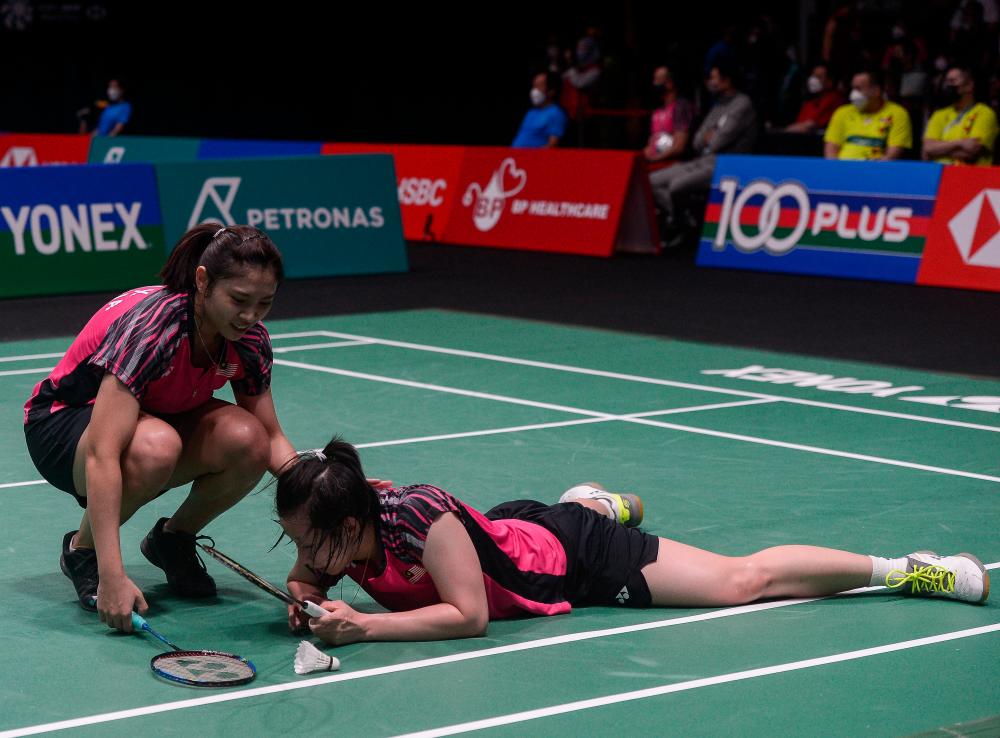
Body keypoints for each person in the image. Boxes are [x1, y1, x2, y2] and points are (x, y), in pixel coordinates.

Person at [276, 438, 989, 646]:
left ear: (348, 527)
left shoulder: (420, 524)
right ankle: (589, 500)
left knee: (740, 584)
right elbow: (310, 579)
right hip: (509, 535)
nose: (303, 556)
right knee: (520, 525)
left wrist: (364, 627)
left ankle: (906, 569)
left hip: (574, 560)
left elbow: (470, 617)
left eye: (308, 544)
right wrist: (304, 599)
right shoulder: (338, 521)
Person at [24, 224, 297, 634]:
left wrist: (327, 486)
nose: (250, 316)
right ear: (202, 282)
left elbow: (272, 437)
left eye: (265, 303)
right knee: (157, 448)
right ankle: (83, 552)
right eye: (239, 300)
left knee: (249, 439)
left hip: (152, 414)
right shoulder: (155, 330)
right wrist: (111, 575)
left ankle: (172, 540)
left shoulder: (250, 339)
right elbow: (102, 452)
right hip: (65, 420)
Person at [650, 63, 756, 248]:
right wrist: (709, 137)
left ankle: (683, 224)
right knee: (651, 181)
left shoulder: (742, 104)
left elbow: (718, 141)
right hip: (702, 160)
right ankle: (685, 220)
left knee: (677, 186)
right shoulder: (718, 105)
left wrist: (710, 137)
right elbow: (698, 140)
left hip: (727, 163)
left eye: (714, 78)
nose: (710, 82)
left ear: (727, 79)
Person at [824, 69, 912, 160]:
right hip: (842, 169)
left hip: (876, 170)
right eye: (853, 88)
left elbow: (894, 153)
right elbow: (831, 148)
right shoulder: (842, 112)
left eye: (858, 89)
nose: (853, 94)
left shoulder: (898, 113)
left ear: (877, 91)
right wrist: (835, 170)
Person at [923, 66, 999, 166]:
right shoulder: (939, 114)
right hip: (939, 176)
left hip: (971, 176)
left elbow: (972, 153)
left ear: (969, 85)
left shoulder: (985, 113)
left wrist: (938, 151)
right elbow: (927, 148)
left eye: (952, 81)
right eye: (946, 81)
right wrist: (960, 143)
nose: (947, 85)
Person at [643, 65, 695, 165]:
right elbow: (651, 145)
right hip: (655, 164)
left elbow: (678, 147)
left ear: (669, 83)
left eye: (657, 80)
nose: (654, 83)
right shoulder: (657, 111)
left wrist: (653, 160)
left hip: (675, 165)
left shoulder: (681, 107)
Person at [512, 71, 568, 148]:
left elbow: (552, 145)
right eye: (534, 86)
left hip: (533, 158)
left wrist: (532, 157)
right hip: (515, 157)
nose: (534, 91)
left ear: (551, 91)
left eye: (539, 86)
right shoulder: (531, 112)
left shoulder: (556, 113)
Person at [785, 63, 844, 132]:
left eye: (818, 77)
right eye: (813, 76)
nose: (813, 80)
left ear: (830, 81)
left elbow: (814, 125)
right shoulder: (809, 104)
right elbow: (799, 125)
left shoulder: (836, 100)